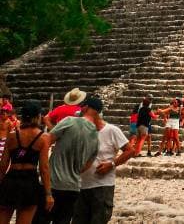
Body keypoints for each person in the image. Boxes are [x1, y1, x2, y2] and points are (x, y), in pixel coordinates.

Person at [71, 96, 133, 224]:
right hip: (80, 186)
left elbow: (130, 150)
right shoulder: (81, 131)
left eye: (83, 110)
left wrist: (111, 164)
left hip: (102, 186)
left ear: (89, 110)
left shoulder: (111, 130)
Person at [44, 103, 100, 224]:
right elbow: (88, 164)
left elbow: (47, 141)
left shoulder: (69, 120)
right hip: (73, 186)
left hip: (54, 182)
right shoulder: (96, 136)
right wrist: (74, 170)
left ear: (85, 108)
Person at [0, 100, 52, 224]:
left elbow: (3, 164)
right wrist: (48, 193)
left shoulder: (12, 136)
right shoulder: (43, 138)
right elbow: (44, 168)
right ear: (38, 116)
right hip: (30, 182)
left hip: (11, 180)